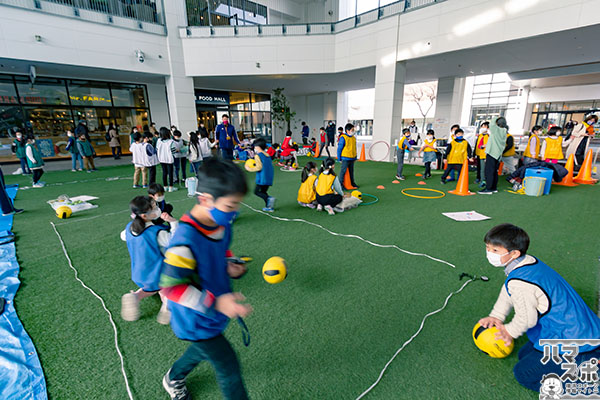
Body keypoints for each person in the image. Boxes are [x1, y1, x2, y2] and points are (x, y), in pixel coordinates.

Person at [159, 158, 251, 400]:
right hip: (195, 320)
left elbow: (222, 249)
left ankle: (173, 377)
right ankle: (173, 379)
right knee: (229, 369)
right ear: (205, 199)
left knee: (202, 350)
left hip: (212, 317)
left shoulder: (221, 222)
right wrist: (216, 303)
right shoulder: (185, 241)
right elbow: (170, 288)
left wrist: (230, 264)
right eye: (231, 205)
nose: (235, 212)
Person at [478, 223, 600, 393]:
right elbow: (509, 290)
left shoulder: (520, 281)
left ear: (514, 253)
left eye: (495, 250)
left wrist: (509, 332)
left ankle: (591, 381)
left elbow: (526, 318)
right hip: (583, 327)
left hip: (574, 337)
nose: (489, 253)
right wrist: (497, 316)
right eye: (487, 247)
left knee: (524, 374)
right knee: (524, 354)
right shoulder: (527, 262)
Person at [120, 196, 178, 325]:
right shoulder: (157, 232)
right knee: (170, 283)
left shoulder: (129, 228)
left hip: (139, 274)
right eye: (154, 207)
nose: (157, 209)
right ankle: (167, 303)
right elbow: (175, 241)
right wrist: (173, 222)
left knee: (151, 287)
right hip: (158, 274)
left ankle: (135, 296)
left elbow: (123, 236)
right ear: (145, 216)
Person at [245, 137, 275, 212]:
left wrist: (249, 169)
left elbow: (259, 167)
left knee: (256, 192)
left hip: (262, 178)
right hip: (269, 177)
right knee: (263, 192)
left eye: (255, 147)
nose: (254, 148)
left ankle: (269, 199)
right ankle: (269, 207)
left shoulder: (257, 156)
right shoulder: (267, 155)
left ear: (258, 147)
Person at [479, 118, 507, 195]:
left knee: (489, 172)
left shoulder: (496, 130)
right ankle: (493, 188)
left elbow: (491, 124)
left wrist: (496, 117)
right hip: (498, 154)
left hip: (492, 153)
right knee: (494, 171)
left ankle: (489, 188)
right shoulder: (504, 131)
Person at [337, 123, 358, 189]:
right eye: (352, 130)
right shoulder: (343, 138)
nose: (353, 131)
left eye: (353, 129)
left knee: (351, 172)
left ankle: (352, 183)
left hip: (352, 158)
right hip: (345, 158)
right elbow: (339, 148)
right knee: (343, 171)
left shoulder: (353, 138)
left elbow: (354, 148)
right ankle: (340, 185)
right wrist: (339, 158)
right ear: (347, 130)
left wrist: (355, 157)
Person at [157, 127, 177, 192]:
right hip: (169, 159)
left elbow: (157, 149)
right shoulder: (171, 141)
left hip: (161, 159)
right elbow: (173, 151)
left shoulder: (159, 141)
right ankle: (171, 187)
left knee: (164, 172)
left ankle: (165, 187)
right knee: (170, 173)